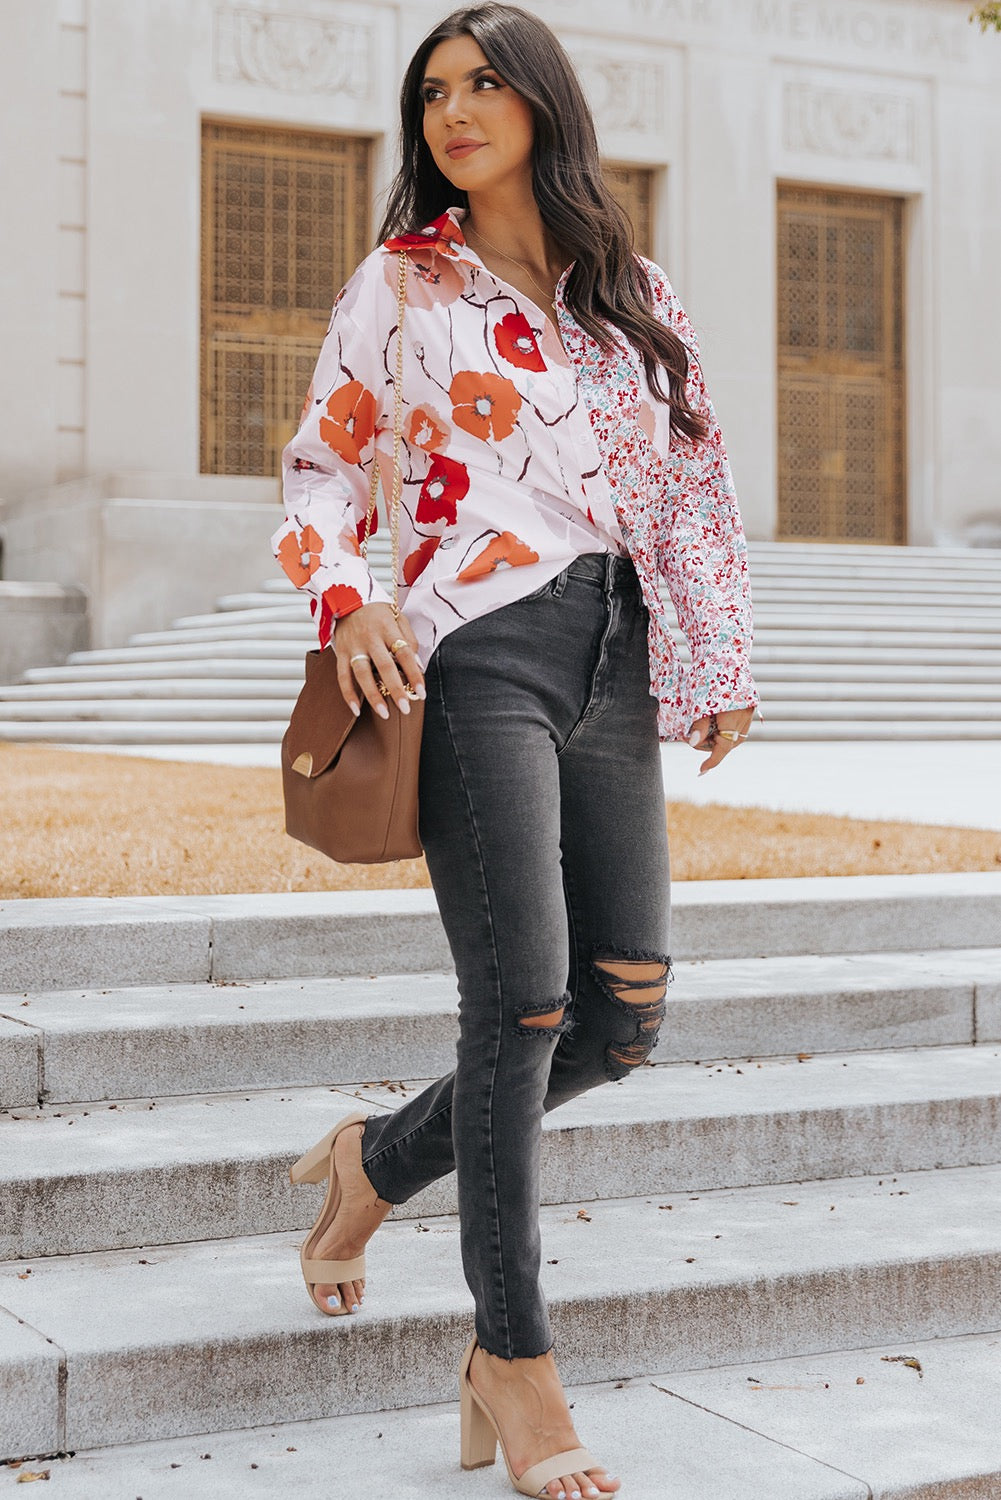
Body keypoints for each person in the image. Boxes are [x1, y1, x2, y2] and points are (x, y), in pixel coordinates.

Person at [273, 5, 758, 1496]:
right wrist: (347, 600)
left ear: (543, 104)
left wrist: (715, 656)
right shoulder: (401, 286)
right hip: (471, 649)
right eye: (432, 91)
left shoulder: (630, 289)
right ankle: (517, 1364)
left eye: (484, 83)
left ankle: (374, 1159)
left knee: (623, 1017)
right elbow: (319, 467)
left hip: (611, 653)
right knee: (526, 1003)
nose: (455, 109)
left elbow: (690, 487)